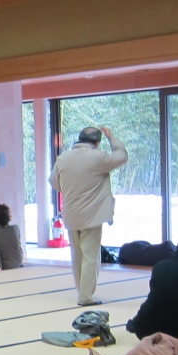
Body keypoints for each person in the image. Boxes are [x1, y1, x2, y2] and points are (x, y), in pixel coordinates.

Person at [50, 126, 128, 306]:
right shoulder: (98, 157)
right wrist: (111, 137)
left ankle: (81, 292)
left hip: (71, 213)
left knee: (77, 255)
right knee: (91, 256)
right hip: (92, 214)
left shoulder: (63, 159)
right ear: (97, 142)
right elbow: (122, 156)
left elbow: (55, 183)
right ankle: (85, 296)